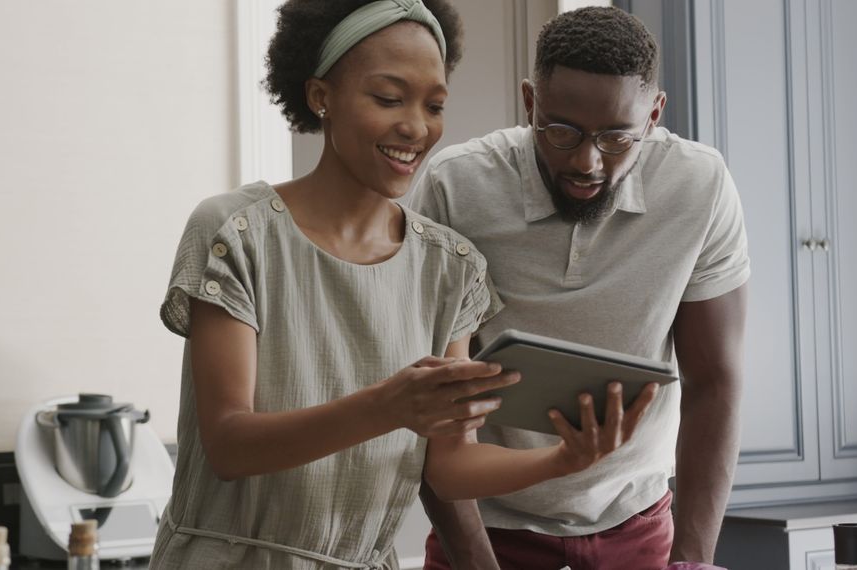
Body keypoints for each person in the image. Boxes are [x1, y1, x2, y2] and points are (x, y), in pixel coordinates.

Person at [150, 2, 656, 569]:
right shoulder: (236, 233)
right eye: (388, 98)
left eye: (434, 105)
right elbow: (229, 445)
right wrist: (389, 405)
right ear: (321, 96)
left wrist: (565, 460)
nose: (417, 127)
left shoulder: (451, 268)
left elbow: (448, 466)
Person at [410, 6, 750, 570]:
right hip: (486, 526)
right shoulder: (457, 187)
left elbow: (714, 380)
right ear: (529, 104)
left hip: (637, 523)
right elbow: (427, 397)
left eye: (618, 137)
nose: (587, 162)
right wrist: (476, 562)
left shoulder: (699, 186)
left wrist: (690, 562)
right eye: (561, 131)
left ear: (655, 115)